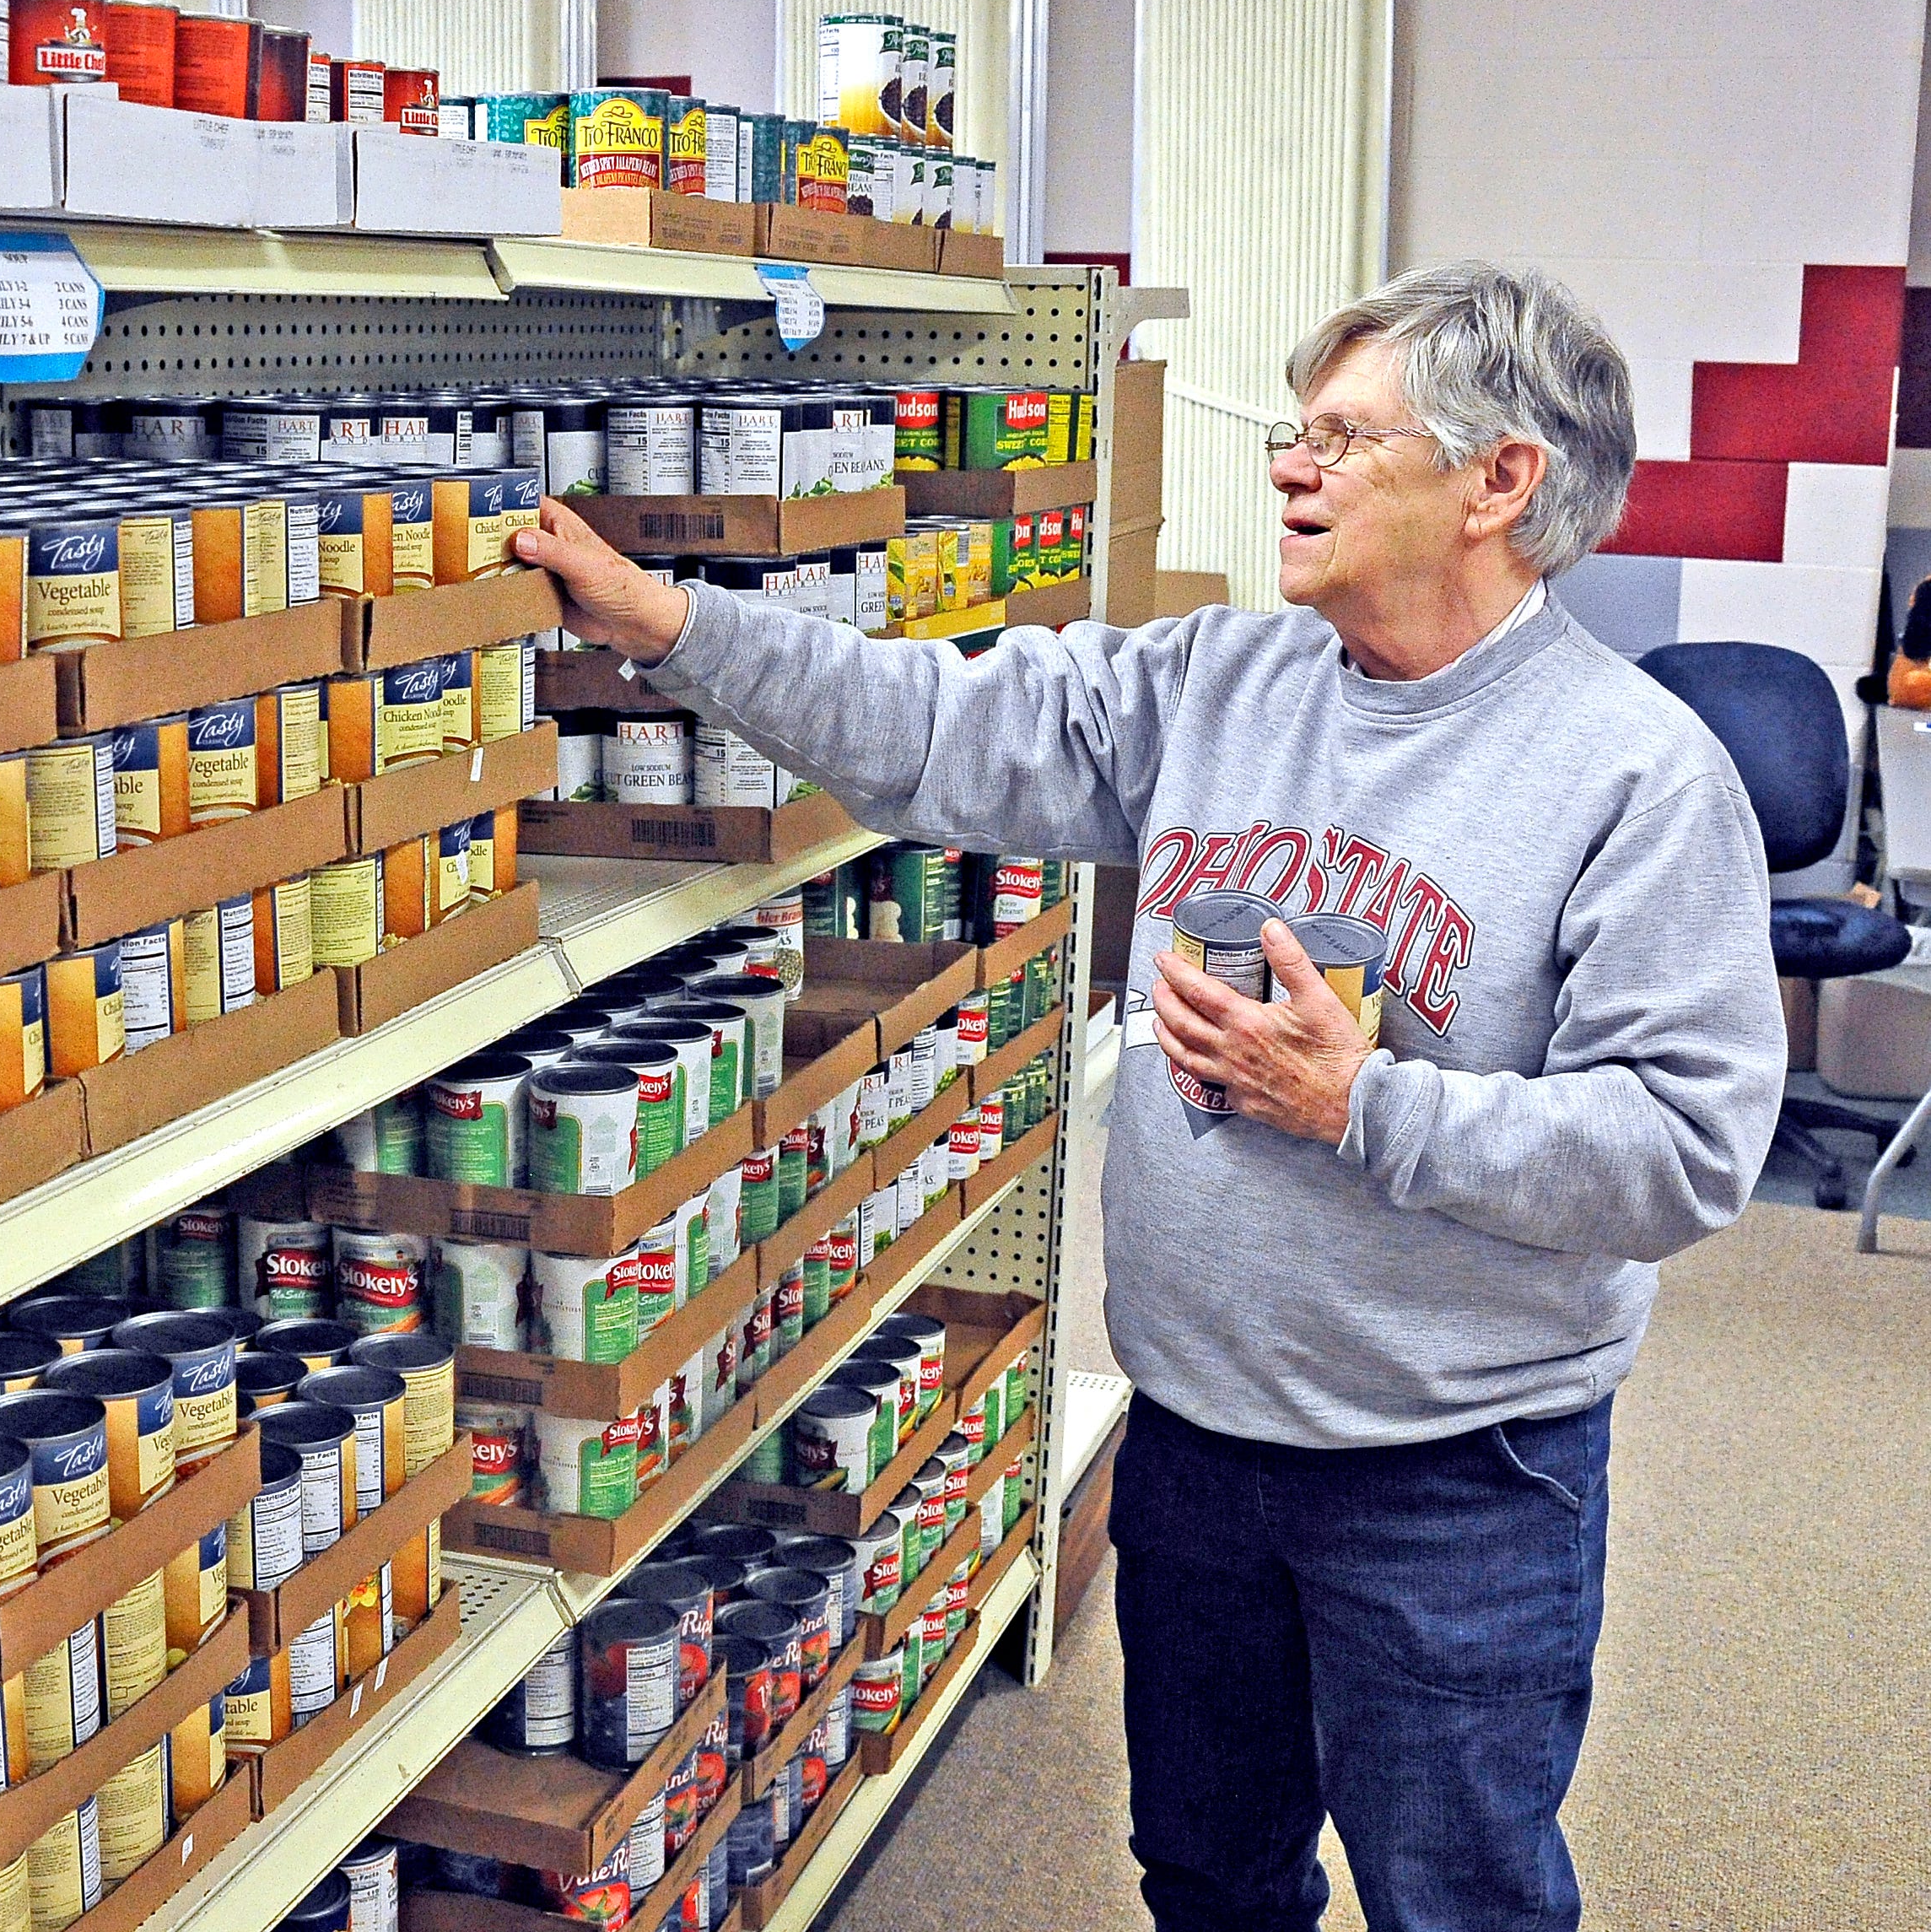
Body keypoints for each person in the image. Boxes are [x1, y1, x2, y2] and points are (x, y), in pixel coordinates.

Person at [512, 259, 1784, 1932]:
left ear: (1500, 481)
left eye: (1343, 436)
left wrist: (1362, 1105)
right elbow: (929, 727)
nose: (1289, 465)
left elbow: (1682, 1153)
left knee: (1457, 1895)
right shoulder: (1216, 687)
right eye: (1293, 429)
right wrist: (672, 623)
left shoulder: (1638, 774)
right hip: (1197, 1440)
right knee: (1208, 1875)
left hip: (1456, 1480)